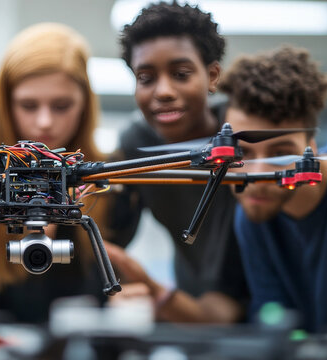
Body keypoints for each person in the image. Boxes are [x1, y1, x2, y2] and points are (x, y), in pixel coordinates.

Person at [0, 23, 124, 323]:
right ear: (5, 104)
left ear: (85, 105)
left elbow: (98, 297)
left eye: (62, 106)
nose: (45, 122)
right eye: (28, 105)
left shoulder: (104, 181)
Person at [105, 1, 247, 323]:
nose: (164, 91)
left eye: (181, 74)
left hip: (263, 305)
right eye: (146, 78)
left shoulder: (243, 132)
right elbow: (112, 231)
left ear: (212, 75)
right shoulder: (136, 143)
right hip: (191, 306)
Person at [219, 45, 327, 333]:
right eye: (241, 154)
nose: (257, 175)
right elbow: (275, 317)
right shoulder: (254, 210)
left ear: (312, 150)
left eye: (280, 154)